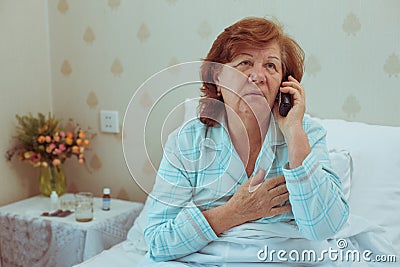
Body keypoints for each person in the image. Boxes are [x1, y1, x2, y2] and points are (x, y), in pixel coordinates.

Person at [143, 17, 349, 263]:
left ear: (284, 84)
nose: (258, 76)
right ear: (217, 80)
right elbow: (157, 241)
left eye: (271, 66)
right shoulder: (186, 142)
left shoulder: (306, 135)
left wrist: (294, 134)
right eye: (245, 63)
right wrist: (233, 213)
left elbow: (324, 228)